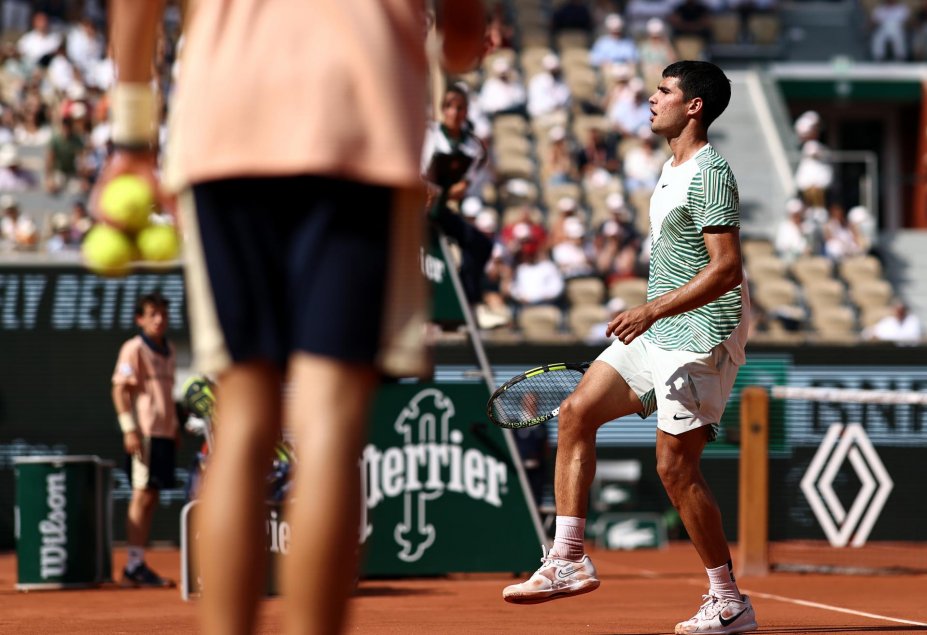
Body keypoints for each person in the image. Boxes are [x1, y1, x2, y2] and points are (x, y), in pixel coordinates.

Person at [100, 2, 485, 634]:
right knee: (329, 417)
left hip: (224, 125)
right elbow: (464, 40)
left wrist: (131, 139)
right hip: (358, 124)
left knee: (244, 411)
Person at [502, 61, 758, 635]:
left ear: (694, 106)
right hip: (659, 331)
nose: (651, 97)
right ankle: (568, 558)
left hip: (700, 336)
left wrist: (648, 309)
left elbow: (727, 271)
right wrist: (652, 316)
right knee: (575, 412)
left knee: (675, 469)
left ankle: (729, 601)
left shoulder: (710, 173)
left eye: (665, 91)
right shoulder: (671, 169)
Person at [111, 292, 178, 588]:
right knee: (141, 494)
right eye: (152, 313)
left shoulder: (170, 349)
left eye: (162, 313)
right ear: (140, 319)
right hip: (144, 434)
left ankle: (137, 565)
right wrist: (129, 428)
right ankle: (133, 566)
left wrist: (174, 427)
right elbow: (119, 390)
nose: (159, 319)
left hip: (164, 433)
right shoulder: (133, 348)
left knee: (151, 496)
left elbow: (167, 397)